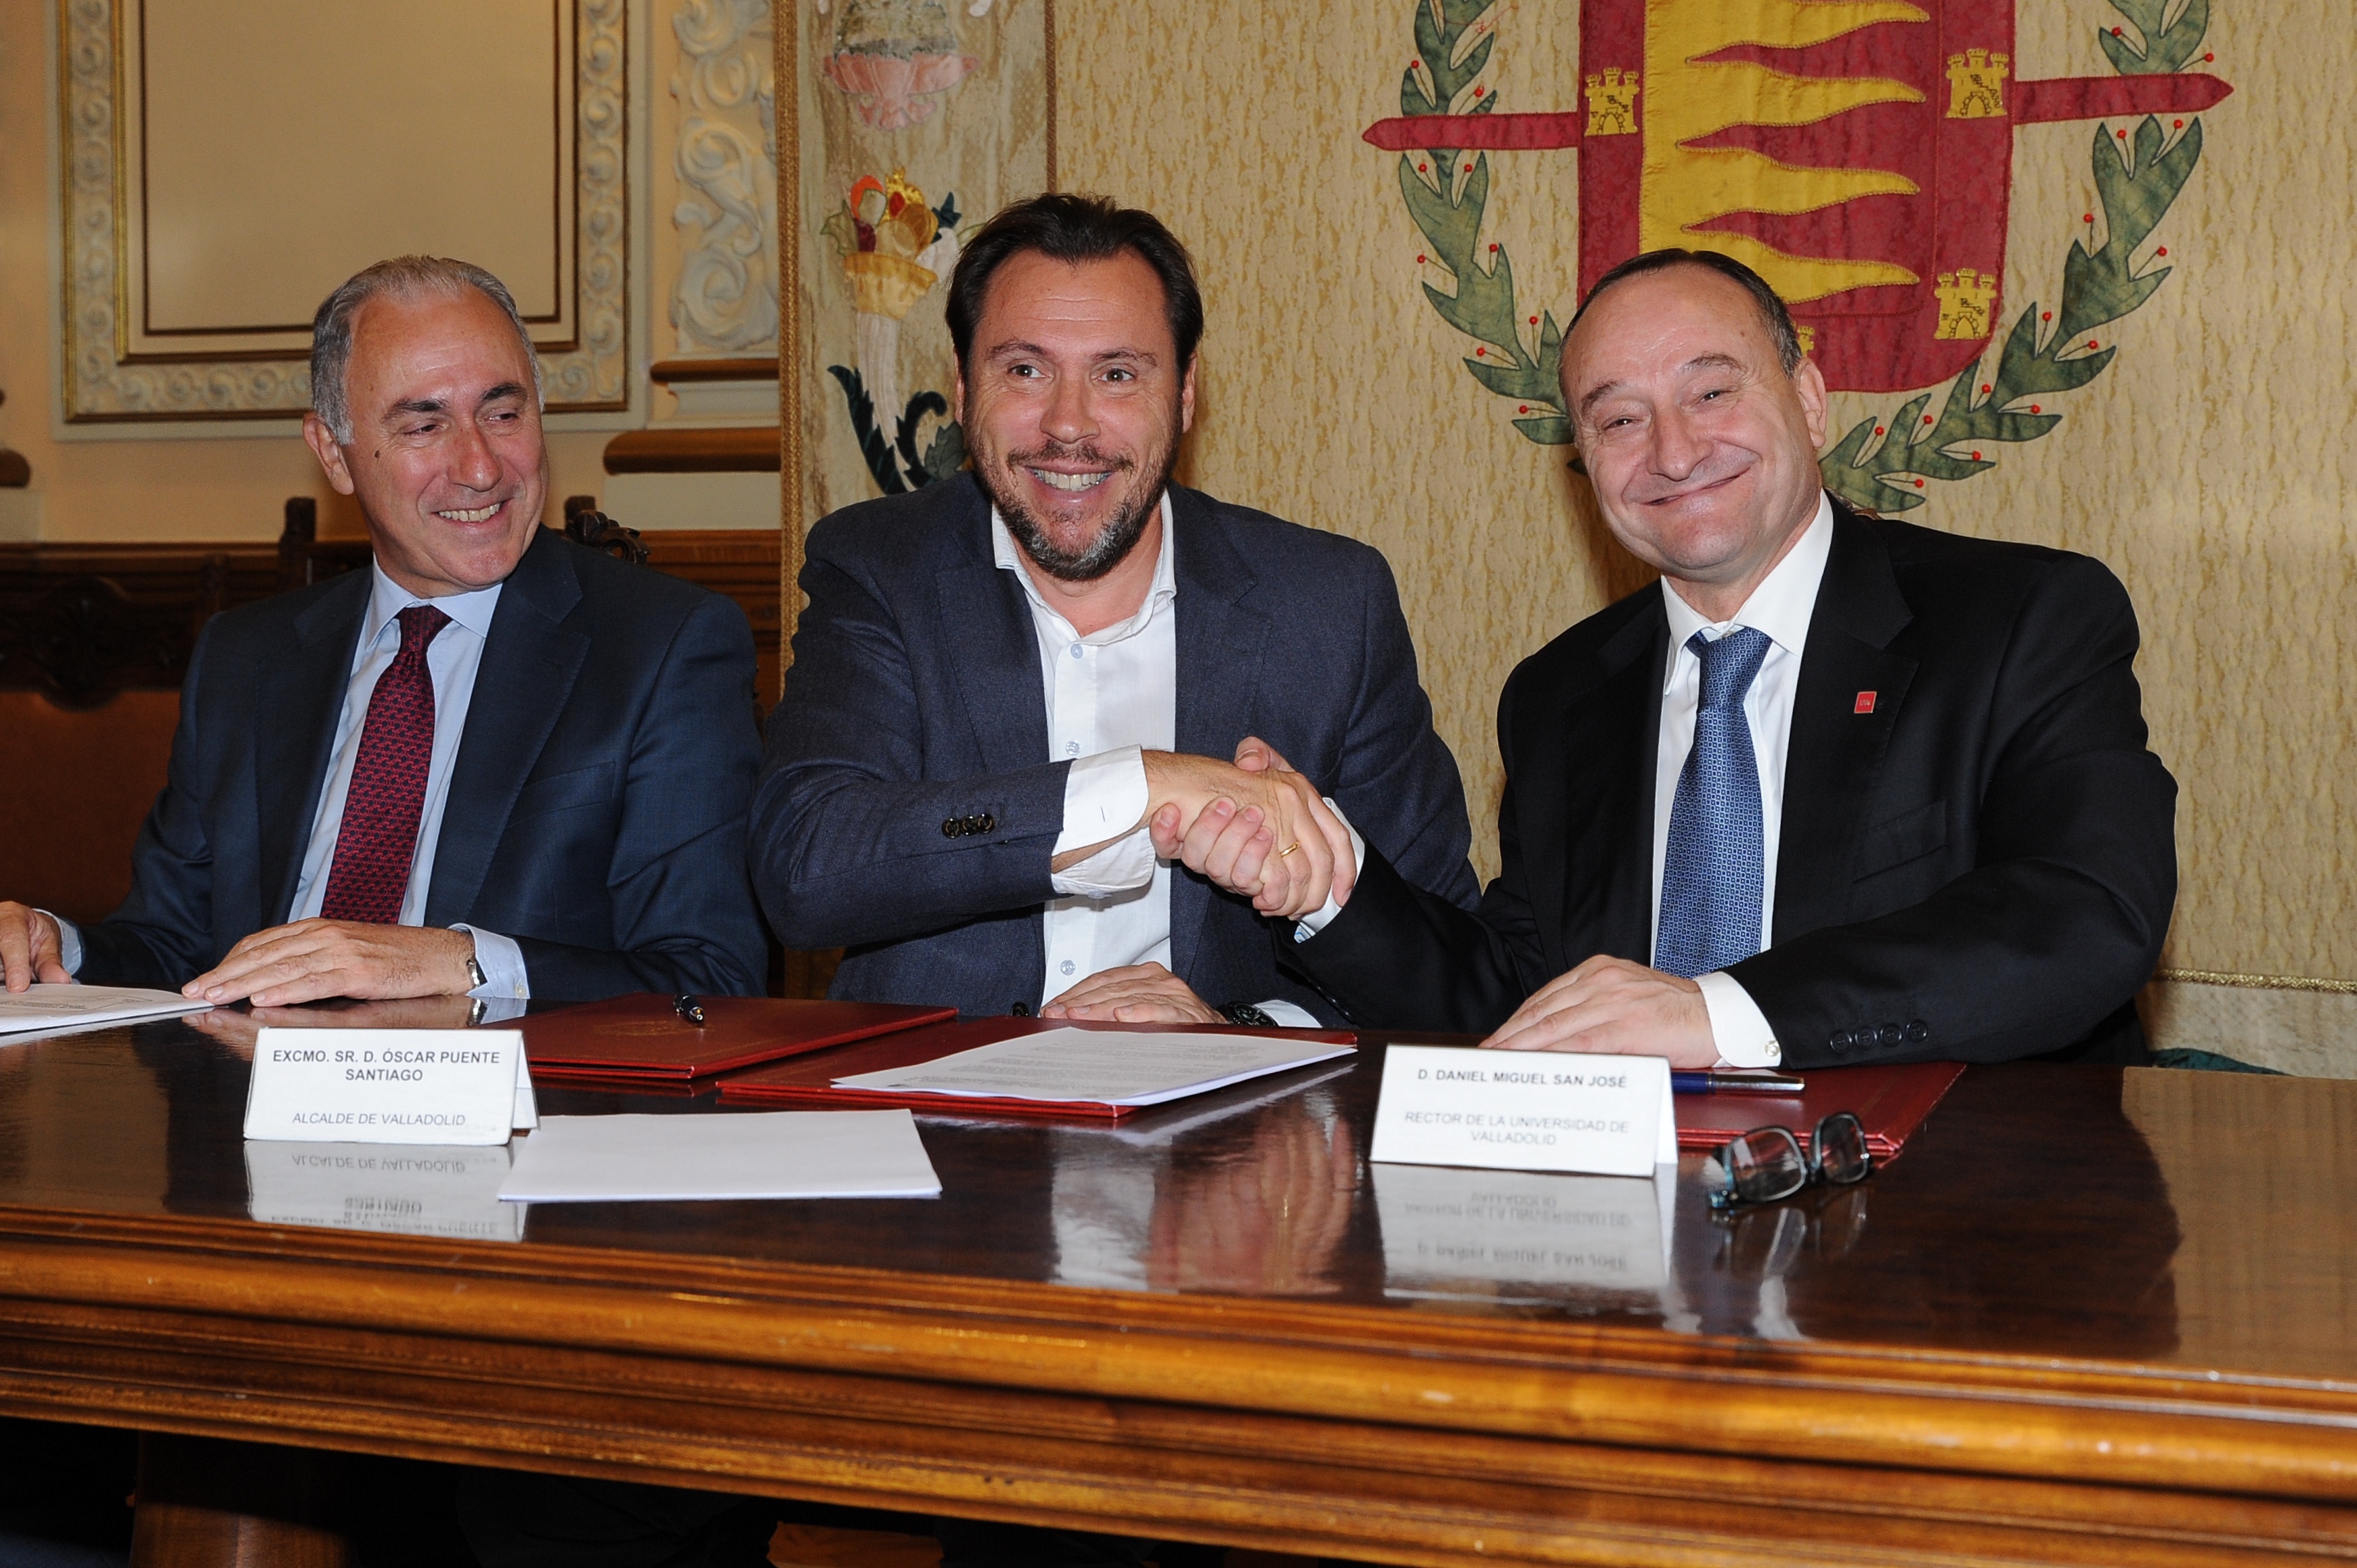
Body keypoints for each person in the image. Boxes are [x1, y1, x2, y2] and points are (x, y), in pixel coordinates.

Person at [1259, 248, 2178, 1068]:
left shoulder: (2022, 620)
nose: (1673, 452)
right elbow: (1525, 999)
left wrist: (1721, 1014)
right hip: (1641, 1194)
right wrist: (1328, 885)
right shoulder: (1559, 694)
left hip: (1954, 1186)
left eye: (1710, 394)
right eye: (1620, 420)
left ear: (1808, 400)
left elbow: (2085, 915)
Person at [754, 192, 1480, 1030]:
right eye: (1024, 370)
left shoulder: (1326, 603)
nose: (1068, 425)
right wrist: (1140, 785)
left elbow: (1449, 974)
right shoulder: (881, 567)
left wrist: (1237, 1033)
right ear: (961, 386)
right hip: (935, 1100)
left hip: (1229, 1109)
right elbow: (806, 866)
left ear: (1185, 394)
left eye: (1117, 375)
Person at [0, 255, 766, 1007]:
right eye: (424, 425)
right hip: (247, 1079)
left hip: (512, 1086)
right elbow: (177, 948)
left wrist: (464, 962)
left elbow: (711, 979)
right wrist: (55, 945)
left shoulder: (662, 649)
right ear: (333, 454)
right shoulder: (247, 657)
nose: (480, 467)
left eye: (503, 414)